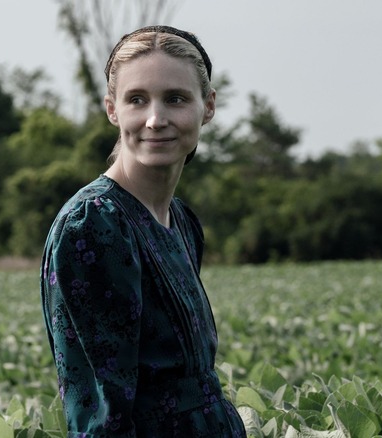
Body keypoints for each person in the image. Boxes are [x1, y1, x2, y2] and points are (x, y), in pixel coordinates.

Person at [39, 25, 247, 437]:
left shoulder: (181, 220)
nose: (156, 119)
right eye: (137, 100)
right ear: (112, 109)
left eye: (175, 99)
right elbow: (101, 408)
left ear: (207, 106)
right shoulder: (95, 223)